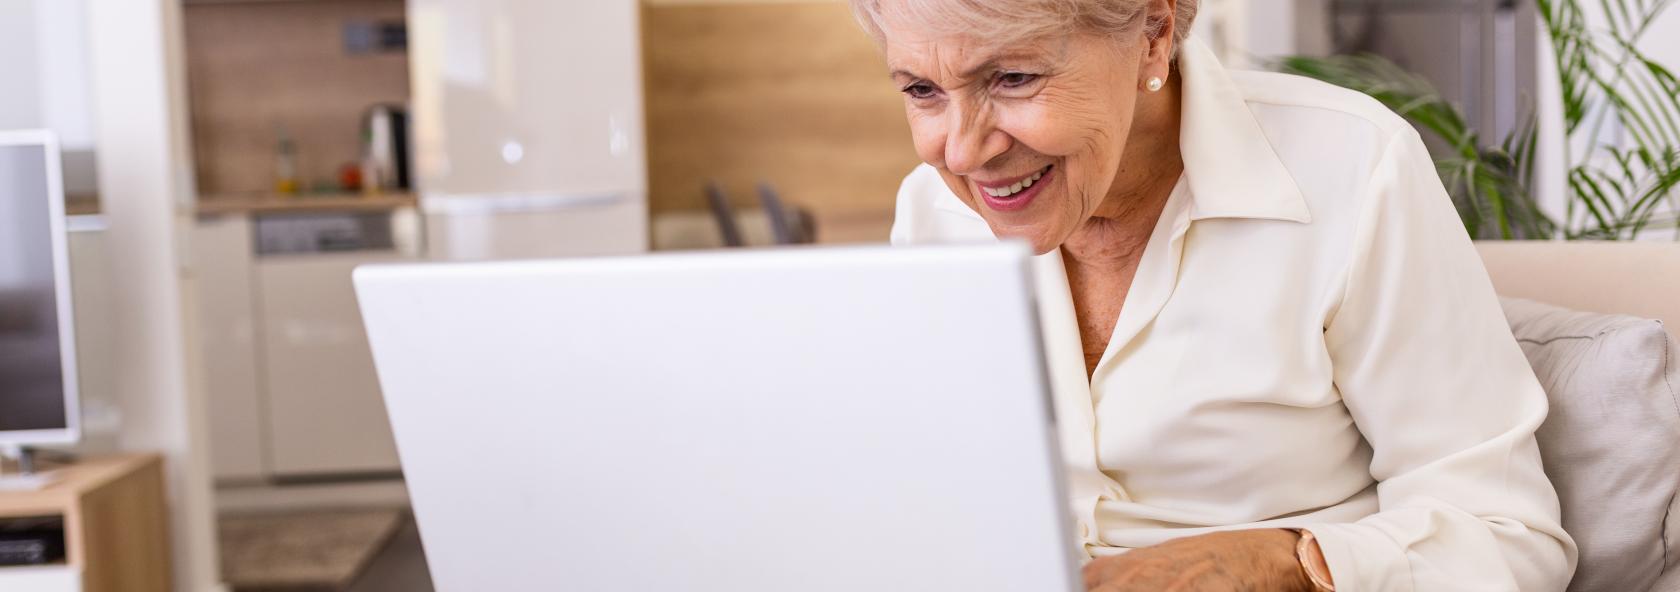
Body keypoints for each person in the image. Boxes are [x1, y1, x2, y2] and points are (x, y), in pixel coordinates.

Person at [849, 0, 1578, 589]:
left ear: (1152, 34)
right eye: (922, 90)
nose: (964, 151)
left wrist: (1282, 561)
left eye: (1012, 79)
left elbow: (1507, 537)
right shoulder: (933, 210)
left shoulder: (1353, 168)